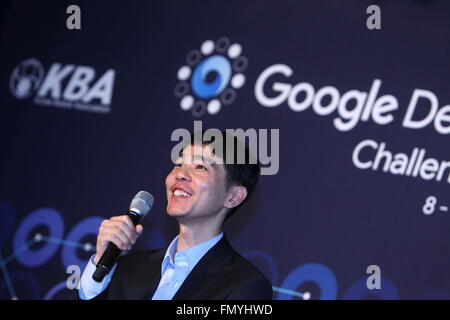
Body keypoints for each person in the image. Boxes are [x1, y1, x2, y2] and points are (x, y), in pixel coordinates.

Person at [77, 131, 273, 300]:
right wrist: (101, 263)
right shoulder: (130, 267)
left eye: (200, 167)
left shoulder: (245, 286)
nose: (180, 174)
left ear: (233, 197)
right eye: (179, 164)